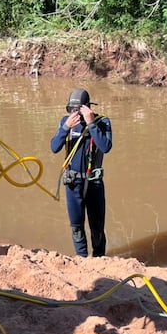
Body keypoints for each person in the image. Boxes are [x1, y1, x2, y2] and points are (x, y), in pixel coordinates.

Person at [50, 88, 113, 256]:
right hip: (73, 183)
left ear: (87, 107)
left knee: (97, 228)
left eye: (78, 109)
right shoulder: (66, 122)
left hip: (94, 183)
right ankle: (82, 260)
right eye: (72, 109)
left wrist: (91, 123)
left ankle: (99, 258)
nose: (75, 113)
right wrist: (65, 128)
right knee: (76, 227)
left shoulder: (102, 122)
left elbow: (105, 147)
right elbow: (54, 147)